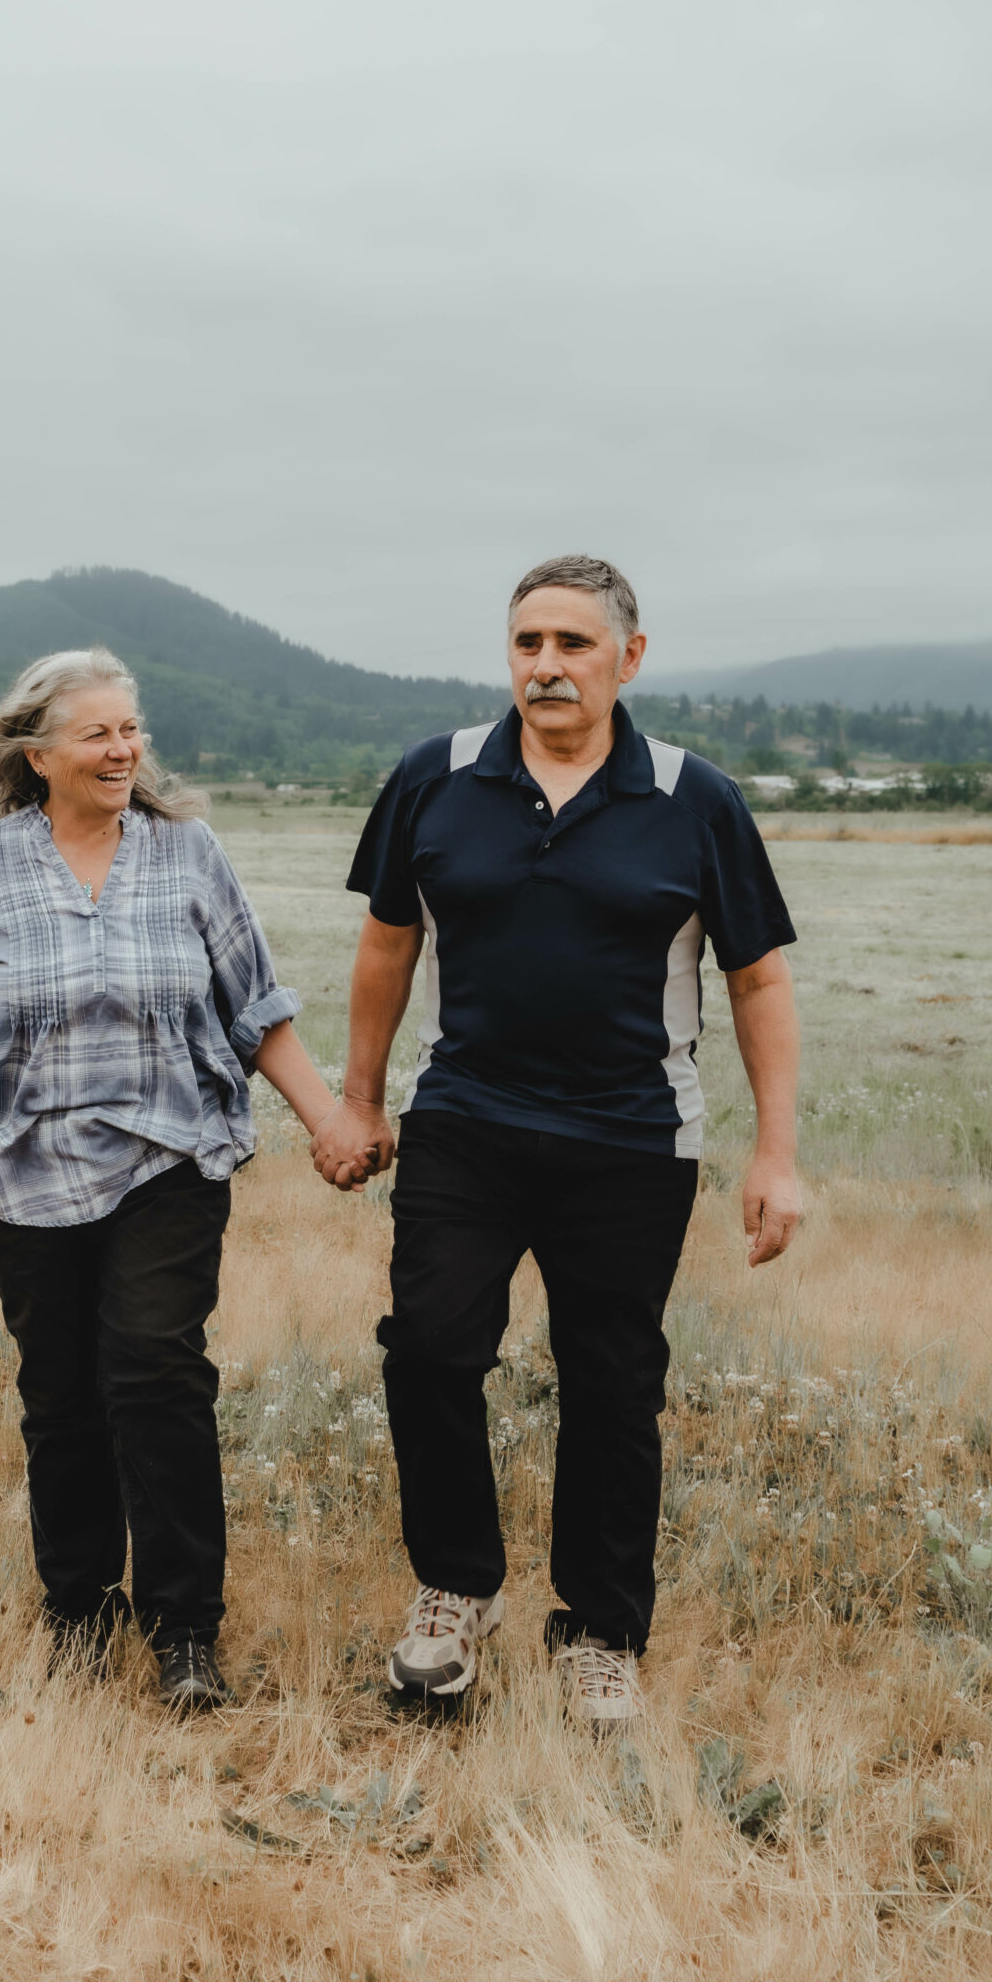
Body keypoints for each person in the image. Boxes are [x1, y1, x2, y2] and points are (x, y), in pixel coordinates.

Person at [310, 556, 802, 1725]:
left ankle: (599, 1635)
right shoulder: (436, 777)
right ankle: (455, 1589)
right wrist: (363, 1099)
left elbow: (758, 980)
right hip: (466, 1121)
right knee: (429, 1349)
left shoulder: (695, 797)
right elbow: (387, 947)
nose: (547, 665)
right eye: (528, 642)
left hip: (632, 1137)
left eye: (574, 644)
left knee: (614, 1385)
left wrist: (775, 1152)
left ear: (630, 659)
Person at [0, 647, 339, 1710]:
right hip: (23, 1167)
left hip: (168, 1155)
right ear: (37, 754)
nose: (122, 749)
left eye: (131, 730)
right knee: (61, 1396)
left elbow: (257, 1008)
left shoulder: (188, 854)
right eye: (98, 733)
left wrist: (329, 1123)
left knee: (153, 1369)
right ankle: (80, 1613)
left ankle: (186, 1629)